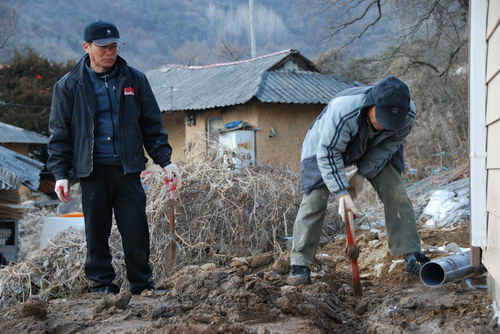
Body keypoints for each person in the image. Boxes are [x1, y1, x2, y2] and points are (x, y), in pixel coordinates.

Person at [47, 20, 179, 295]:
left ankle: (141, 284)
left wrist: (165, 161)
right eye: (104, 47)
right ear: (86, 47)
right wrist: (60, 174)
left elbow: (151, 125)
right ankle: (101, 285)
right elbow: (60, 134)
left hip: (128, 169)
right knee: (97, 232)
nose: (111, 52)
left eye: (114, 46)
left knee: (136, 230)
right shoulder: (69, 85)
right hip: (92, 171)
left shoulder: (134, 80)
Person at [286, 76, 430, 285]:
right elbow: (328, 154)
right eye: (380, 119)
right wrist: (342, 193)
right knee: (314, 198)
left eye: (389, 123)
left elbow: (388, 147)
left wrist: (361, 174)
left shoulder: (406, 116)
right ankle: (300, 263)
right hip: (324, 146)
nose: (382, 126)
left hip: (374, 147)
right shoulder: (343, 110)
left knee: (396, 191)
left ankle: (411, 254)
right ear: (372, 105)